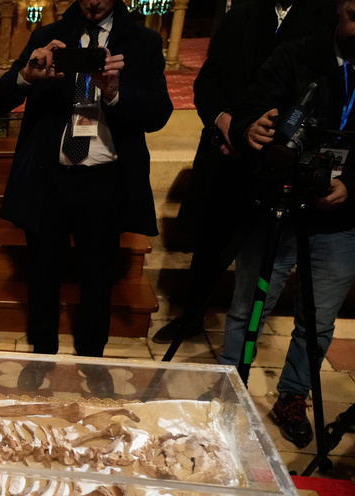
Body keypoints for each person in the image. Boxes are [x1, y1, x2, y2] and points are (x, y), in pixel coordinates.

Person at [0, 0, 173, 396]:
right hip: (50, 178)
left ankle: (92, 357)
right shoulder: (45, 37)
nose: (93, 2)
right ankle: (42, 354)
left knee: (98, 276)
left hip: (103, 180)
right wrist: (26, 74)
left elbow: (160, 111)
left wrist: (115, 94)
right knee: (43, 273)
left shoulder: (142, 40)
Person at [152, 0, 337, 345]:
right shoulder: (242, 14)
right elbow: (209, 79)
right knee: (210, 244)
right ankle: (192, 317)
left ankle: (247, 332)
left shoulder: (324, 17)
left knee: (267, 250)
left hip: (281, 155)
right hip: (227, 152)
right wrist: (224, 120)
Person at [222, 0, 355, 447]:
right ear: (339, 7)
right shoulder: (298, 53)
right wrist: (248, 127)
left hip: (341, 216)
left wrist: (352, 186)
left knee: (317, 322)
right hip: (276, 204)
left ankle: (293, 395)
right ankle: (228, 385)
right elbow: (252, 105)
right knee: (247, 307)